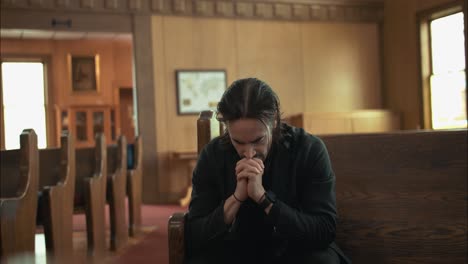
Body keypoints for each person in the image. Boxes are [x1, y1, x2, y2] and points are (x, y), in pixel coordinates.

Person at [185, 77, 351, 264]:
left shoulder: (308, 149)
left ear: (274, 122)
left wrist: (263, 199)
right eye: (238, 142)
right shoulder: (213, 155)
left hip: (295, 250)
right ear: (227, 129)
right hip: (234, 251)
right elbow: (194, 235)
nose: (249, 153)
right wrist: (236, 198)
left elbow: (323, 231)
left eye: (258, 141)